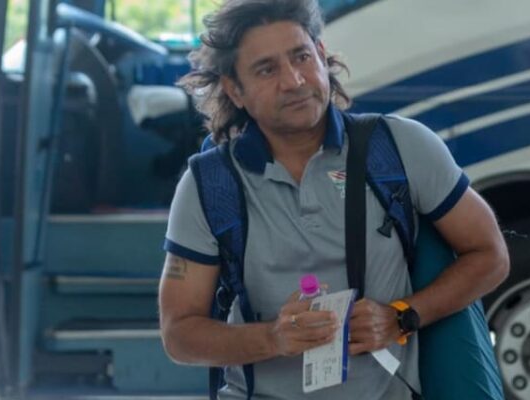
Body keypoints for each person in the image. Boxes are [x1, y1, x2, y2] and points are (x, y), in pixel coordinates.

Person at [158, 0, 510, 399]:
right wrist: (273, 338)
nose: (294, 81)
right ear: (234, 90)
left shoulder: (401, 147)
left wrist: (402, 316)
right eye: (266, 69)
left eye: (301, 56)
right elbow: (179, 334)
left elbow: (490, 255)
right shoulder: (209, 184)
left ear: (322, 56)